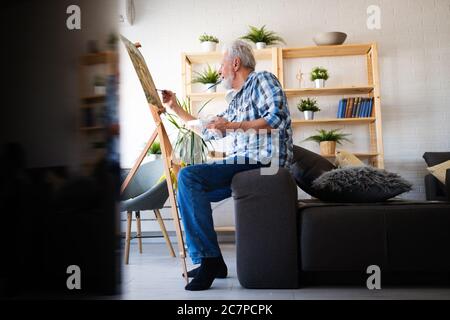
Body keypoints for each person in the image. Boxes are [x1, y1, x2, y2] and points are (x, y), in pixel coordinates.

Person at [162, 40, 293, 291]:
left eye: (222, 64)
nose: (220, 71)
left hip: (266, 161)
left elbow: (275, 119)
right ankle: (213, 261)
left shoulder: (263, 79)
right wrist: (175, 108)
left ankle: (209, 260)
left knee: (189, 177)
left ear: (235, 63)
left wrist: (232, 126)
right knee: (189, 188)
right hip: (244, 160)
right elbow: (208, 131)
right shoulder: (236, 101)